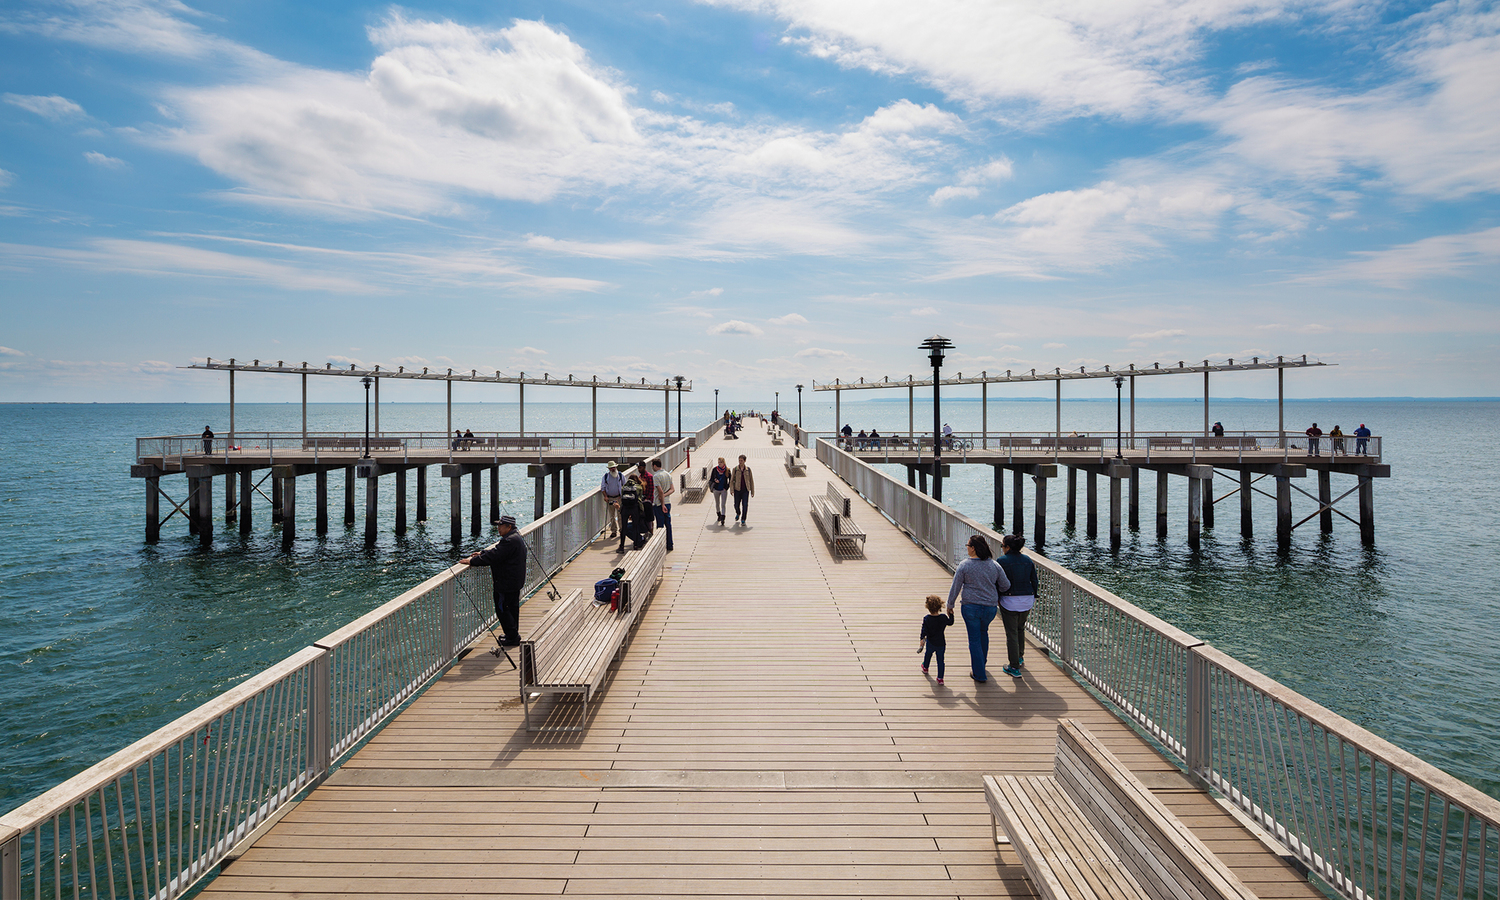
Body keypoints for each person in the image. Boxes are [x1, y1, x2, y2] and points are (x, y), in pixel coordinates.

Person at [946, 534, 1010, 683]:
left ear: (973, 549)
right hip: (990, 608)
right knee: (983, 633)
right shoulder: (994, 565)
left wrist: (950, 605)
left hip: (970, 607)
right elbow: (1005, 585)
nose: (967, 549)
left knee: (974, 639)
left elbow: (955, 587)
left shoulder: (965, 565)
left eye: (968, 546)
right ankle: (982, 664)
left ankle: (979, 673)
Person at [463, 514, 527, 646]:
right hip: (515, 581)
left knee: (502, 609)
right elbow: (499, 553)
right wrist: (483, 553)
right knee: (512, 608)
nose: (498, 528)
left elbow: (494, 557)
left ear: (509, 527)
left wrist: (472, 561)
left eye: (500, 525)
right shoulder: (515, 538)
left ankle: (512, 637)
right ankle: (512, 634)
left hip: (505, 583)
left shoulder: (509, 541)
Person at [996, 535, 1039, 679]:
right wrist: (1034, 595)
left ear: (1007, 547)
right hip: (1027, 599)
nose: (1002, 549)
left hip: (1009, 600)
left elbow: (997, 581)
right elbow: (1034, 580)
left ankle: (1014, 667)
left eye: (1002, 546)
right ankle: (1020, 657)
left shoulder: (1001, 561)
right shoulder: (1027, 560)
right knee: (1020, 628)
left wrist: (997, 597)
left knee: (1011, 633)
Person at [919, 595, 953, 685]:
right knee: (940, 661)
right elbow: (950, 622)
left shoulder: (927, 619)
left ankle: (925, 667)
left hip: (931, 642)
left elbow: (924, 631)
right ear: (939, 606)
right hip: (941, 643)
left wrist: (922, 639)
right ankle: (940, 678)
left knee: (928, 655)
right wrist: (951, 614)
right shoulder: (943, 617)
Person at [618, 472, 649, 551]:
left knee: (623, 527)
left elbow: (622, 497)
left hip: (625, 508)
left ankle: (621, 546)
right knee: (635, 527)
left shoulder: (623, 487)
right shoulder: (639, 487)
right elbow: (639, 497)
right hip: (635, 508)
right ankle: (635, 545)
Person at [651, 458, 675, 552]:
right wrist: (665, 496)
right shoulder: (667, 474)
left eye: (652, 465)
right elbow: (672, 489)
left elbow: (660, 491)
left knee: (660, 526)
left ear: (655, 466)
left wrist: (662, 502)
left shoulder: (656, 476)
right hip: (668, 502)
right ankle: (670, 544)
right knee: (668, 524)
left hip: (659, 504)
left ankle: (660, 547)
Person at [600, 461, 624, 539]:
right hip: (610, 498)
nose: (613, 469)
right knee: (612, 516)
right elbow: (603, 487)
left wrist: (623, 496)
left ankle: (622, 530)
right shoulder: (606, 476)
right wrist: (605, 496)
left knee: (620, 515)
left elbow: (624, 485)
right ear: (609, 468)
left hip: (619, 498)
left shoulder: (620, 475)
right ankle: (614, 531)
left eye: (614, 467)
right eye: (611, 468)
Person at [730, 454, 755, 525]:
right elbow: (731, 481)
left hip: (745, 490)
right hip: (737, 490)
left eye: (741, 460)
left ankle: (743, 519)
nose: (740, 462)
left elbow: (751, 481)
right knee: (736, 505)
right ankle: (738, 513)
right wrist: (731, 490)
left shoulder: (748, 470)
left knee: (745, 505)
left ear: (745, 461)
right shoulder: (735, 469)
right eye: (739, 460)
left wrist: (752, 491)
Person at [709, 456, 731, 525]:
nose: (719, 464)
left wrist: (727, 487)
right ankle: (718, 514)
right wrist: (715, 480)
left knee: (723, 504)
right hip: (716, 489)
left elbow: (730, 480)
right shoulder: (715, 470)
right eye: (718, 462)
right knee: (717, 503)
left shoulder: (727, 470)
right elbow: (711, 479)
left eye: (721, 462)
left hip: (723, 489)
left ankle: (723, 517)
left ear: (723, 463)